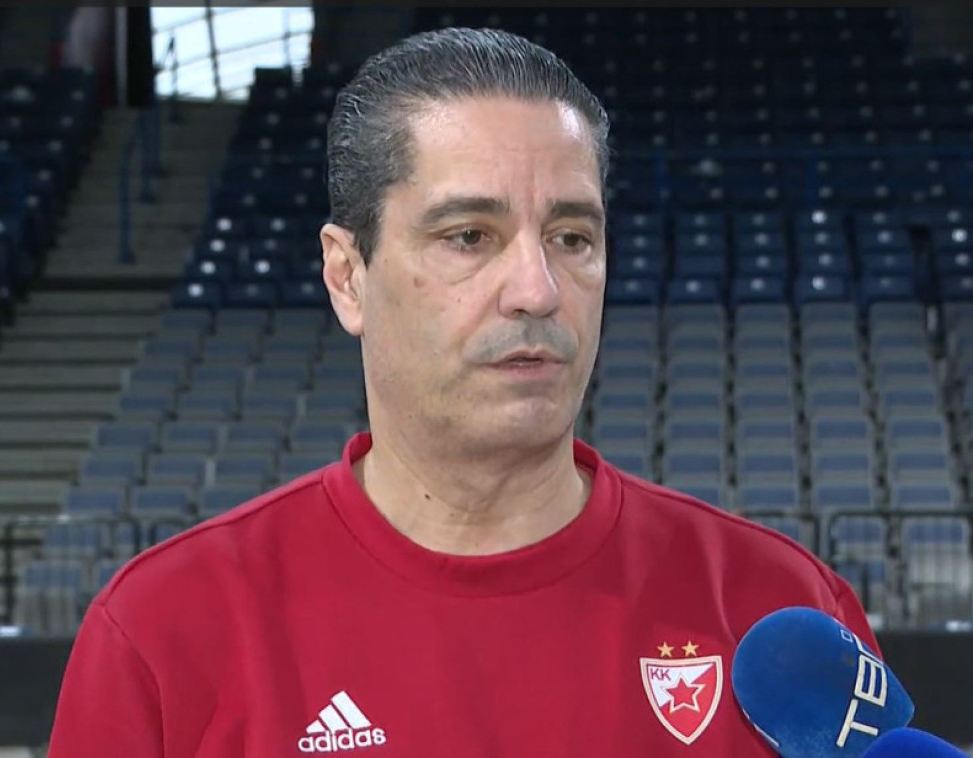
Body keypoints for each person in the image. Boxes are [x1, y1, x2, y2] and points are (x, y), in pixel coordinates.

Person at [47, 27, 878, 757]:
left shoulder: (782, 610)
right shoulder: (163, 632)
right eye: (470, 236)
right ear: (347, 276)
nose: (537, 289)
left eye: (572, 238)